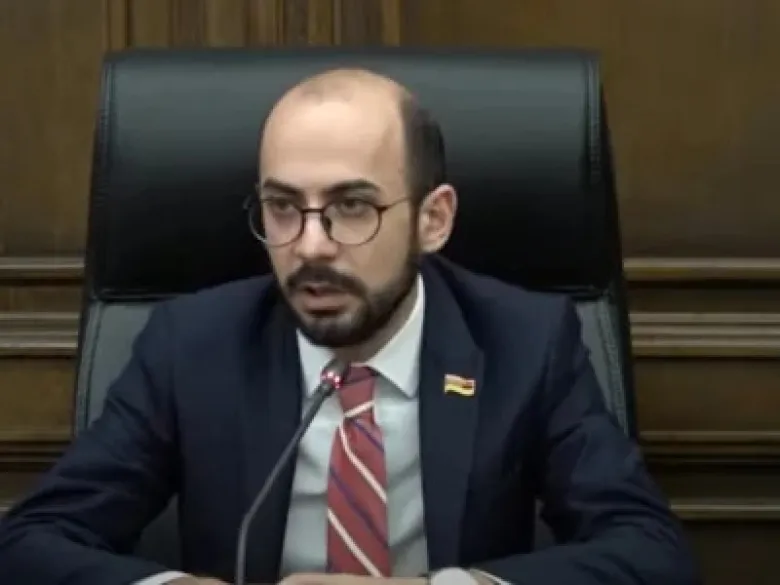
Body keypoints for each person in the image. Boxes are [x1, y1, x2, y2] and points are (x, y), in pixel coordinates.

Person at [0, 68, 700, 585]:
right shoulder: (193, 345)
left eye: (352, 207)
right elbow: (30, 543)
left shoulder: (524, 341)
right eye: (283, 207)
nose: (310, 246)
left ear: (434, 219)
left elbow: (650, 553)